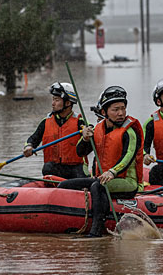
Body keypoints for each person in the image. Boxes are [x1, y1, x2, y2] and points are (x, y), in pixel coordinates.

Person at [58, 86, 144, 237]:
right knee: (64, 185)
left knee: (97, 186)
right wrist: (84, 138)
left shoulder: (129, 132)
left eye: (123, 108)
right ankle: (66, 222)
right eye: (115, 109)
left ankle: (96, 231)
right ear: (104, 112)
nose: (121, 113)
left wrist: (112, 172)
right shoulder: (97, 129)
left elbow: (128, 156)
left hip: (126, 181)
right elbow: (80, 152)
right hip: (101, 179)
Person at [23, 82, 87, 179]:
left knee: (80, 173)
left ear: (68, 103)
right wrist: (28, 146)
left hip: (75, 168)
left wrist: (88, 135)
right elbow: (33, 139)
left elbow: (93, 141)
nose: (53, 104)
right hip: (54, 168)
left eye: (56, 100)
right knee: (47, 167)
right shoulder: (46, 122)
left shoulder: (80, 122)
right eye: (53, 99)